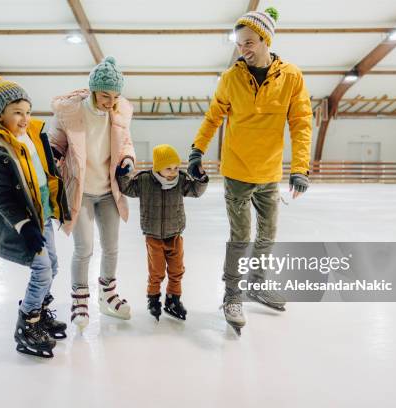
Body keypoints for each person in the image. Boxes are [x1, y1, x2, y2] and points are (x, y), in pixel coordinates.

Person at [187, 7, 312, 333]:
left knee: (268, 236)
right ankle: (232, 295)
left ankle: (257, 283)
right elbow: (213, 116)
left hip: (270, 174)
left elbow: (301, 124)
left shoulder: (291, 77)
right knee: (240, 238)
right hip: (238, 174)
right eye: (239, 43)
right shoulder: (231, 78)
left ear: (265, 40)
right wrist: (196, 150)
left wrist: (300, 168)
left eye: (249, 42)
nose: (243, 49)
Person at [0, 74, 70, 358]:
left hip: (43, 215)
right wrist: (25, 228)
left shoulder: (31, 135)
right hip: (21, 223)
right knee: (41, 269)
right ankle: (27, 324)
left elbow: (45, 172)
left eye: (27, 112)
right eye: (17, 113)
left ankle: (41, 313)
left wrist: (59, 205)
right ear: (0, 114)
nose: (24, 118)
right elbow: (0, 195)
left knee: (54, 266)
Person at [48, 56, 136, 331]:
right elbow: (56, 143)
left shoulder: (120, 112)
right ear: (93, 89)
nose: (111, 102)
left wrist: (128, 160)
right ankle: (80, 298)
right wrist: (52, 155)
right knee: (84, 248)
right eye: (105, 95)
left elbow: (126, 144)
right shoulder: (70, 112)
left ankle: (107, 293)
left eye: (116, 96)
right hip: (81, 191)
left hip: (109, 190)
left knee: (111, 247)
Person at [116, 144, 208, 321]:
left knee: (177, 270)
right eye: (168, 168)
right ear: (158, 167)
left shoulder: (181, 180)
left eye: (176, 167)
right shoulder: (144, 181)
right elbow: (127, 188)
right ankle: (153, 298)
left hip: (175, 234)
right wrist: (123, 174)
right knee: (156, 271)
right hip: (153, 236)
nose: (173, 171)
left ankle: (173, 299)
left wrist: (201, 178)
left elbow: (196, 191)